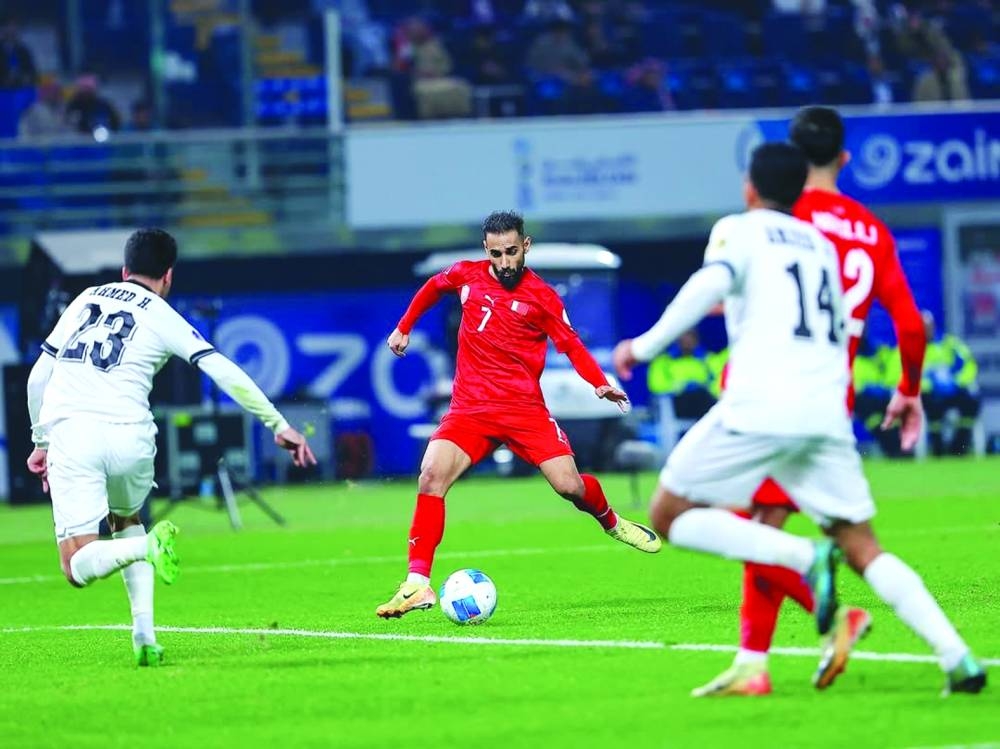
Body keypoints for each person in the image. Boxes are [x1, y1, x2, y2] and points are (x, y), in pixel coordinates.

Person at [612, 142, 986, 696]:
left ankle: (801, 556)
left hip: (761, 403)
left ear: (749, 188)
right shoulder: (820, 245)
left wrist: (642, 348)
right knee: (863, 545)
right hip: (825, 411)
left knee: (667, 513)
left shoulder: (738, 229)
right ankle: (958, 658)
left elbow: (711, 283)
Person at [690, 105, 933, 697]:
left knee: (741, 524)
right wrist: (908, 389)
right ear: (845, 158)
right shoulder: (870, 229)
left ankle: (829, 626)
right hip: (832, 396)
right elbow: (910, 324)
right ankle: (753, 665)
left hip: (776, 390)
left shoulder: (782, 219)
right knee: (766, 524)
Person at [26, 228, 317, 666]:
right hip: (134, 437)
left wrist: (40, 440)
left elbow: (36, 378)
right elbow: (221, 368)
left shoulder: (85, 298)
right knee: (127, 519)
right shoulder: (163, 314)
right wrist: (278, 424)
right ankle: (145, 637)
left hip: (76, 433)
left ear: (124, 270)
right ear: (168, 276)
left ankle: (146, 550)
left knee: (76, 565)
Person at [376, 210, 660, 619]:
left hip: (523, 411)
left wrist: (598, 382)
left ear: (525, 246)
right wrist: (403, 327)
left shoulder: (542, 297)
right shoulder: (466, 275)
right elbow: (432, 287)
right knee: (431, 476)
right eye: (497, 254)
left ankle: (612, 521)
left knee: (569, 486)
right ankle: (417, 584)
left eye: (512, 251)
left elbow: (572, 345)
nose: (506, 262)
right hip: (470, 409)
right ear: (486, 251)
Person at [917, 310, 981, 455]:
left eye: (928, 326)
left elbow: (970, 364)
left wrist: (957, 382)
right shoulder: (913, 348)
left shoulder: (949, 344)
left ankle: (959, 446)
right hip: (930, 393)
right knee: (932, 407)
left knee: (972, 402)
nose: (926, 330)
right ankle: (937, 449)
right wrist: (930, 385)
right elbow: (908, 373)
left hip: (953, 389)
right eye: (922, 326)